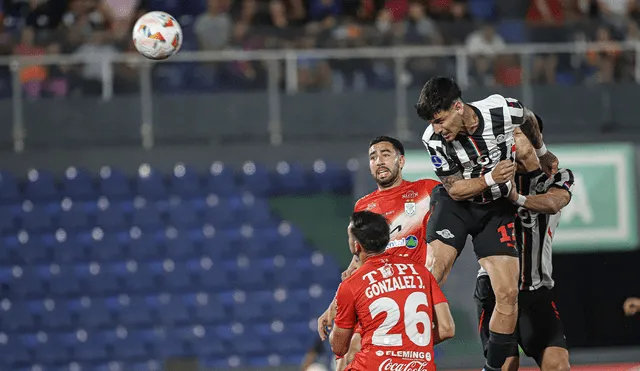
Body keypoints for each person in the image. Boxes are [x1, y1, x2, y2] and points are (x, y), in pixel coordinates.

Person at [415, 76, 558, 371]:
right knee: (435, 270)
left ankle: (492, 369)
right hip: (456, 206)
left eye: (441, 120)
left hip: (494, 208)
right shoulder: (433, 139)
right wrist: (491, 178)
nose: (437, 128)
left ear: (458, 106)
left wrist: (542, 153)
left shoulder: (502, 111)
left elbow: (528, 117)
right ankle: (403, 347)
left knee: (507, 292)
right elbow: (454, 188)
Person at [316, 136, 441, 370]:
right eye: (373, 157)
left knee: (358, 350)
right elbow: (357, 262)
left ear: (401, 161)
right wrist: (333, 307)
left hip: (407, 292)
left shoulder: (425, 190)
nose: (379, 161)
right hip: (375, 293)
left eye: (385, 155)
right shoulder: (363, 205)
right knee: (346, 357)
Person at [475, 129, 573, 371]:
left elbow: (553, 203)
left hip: (536, 290)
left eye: (516, 133)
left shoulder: (557, 176)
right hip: (496, 289)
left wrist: (517, 198)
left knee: (559, 366)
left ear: (535, 138)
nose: (510, 139)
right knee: (507, 366)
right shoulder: (494, 178)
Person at [329, 210, 455, 371]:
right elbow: (446, 329)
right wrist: (408, 347)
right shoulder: (421, 272)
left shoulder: (351, 284)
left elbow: (339, 348)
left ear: (356, 245)